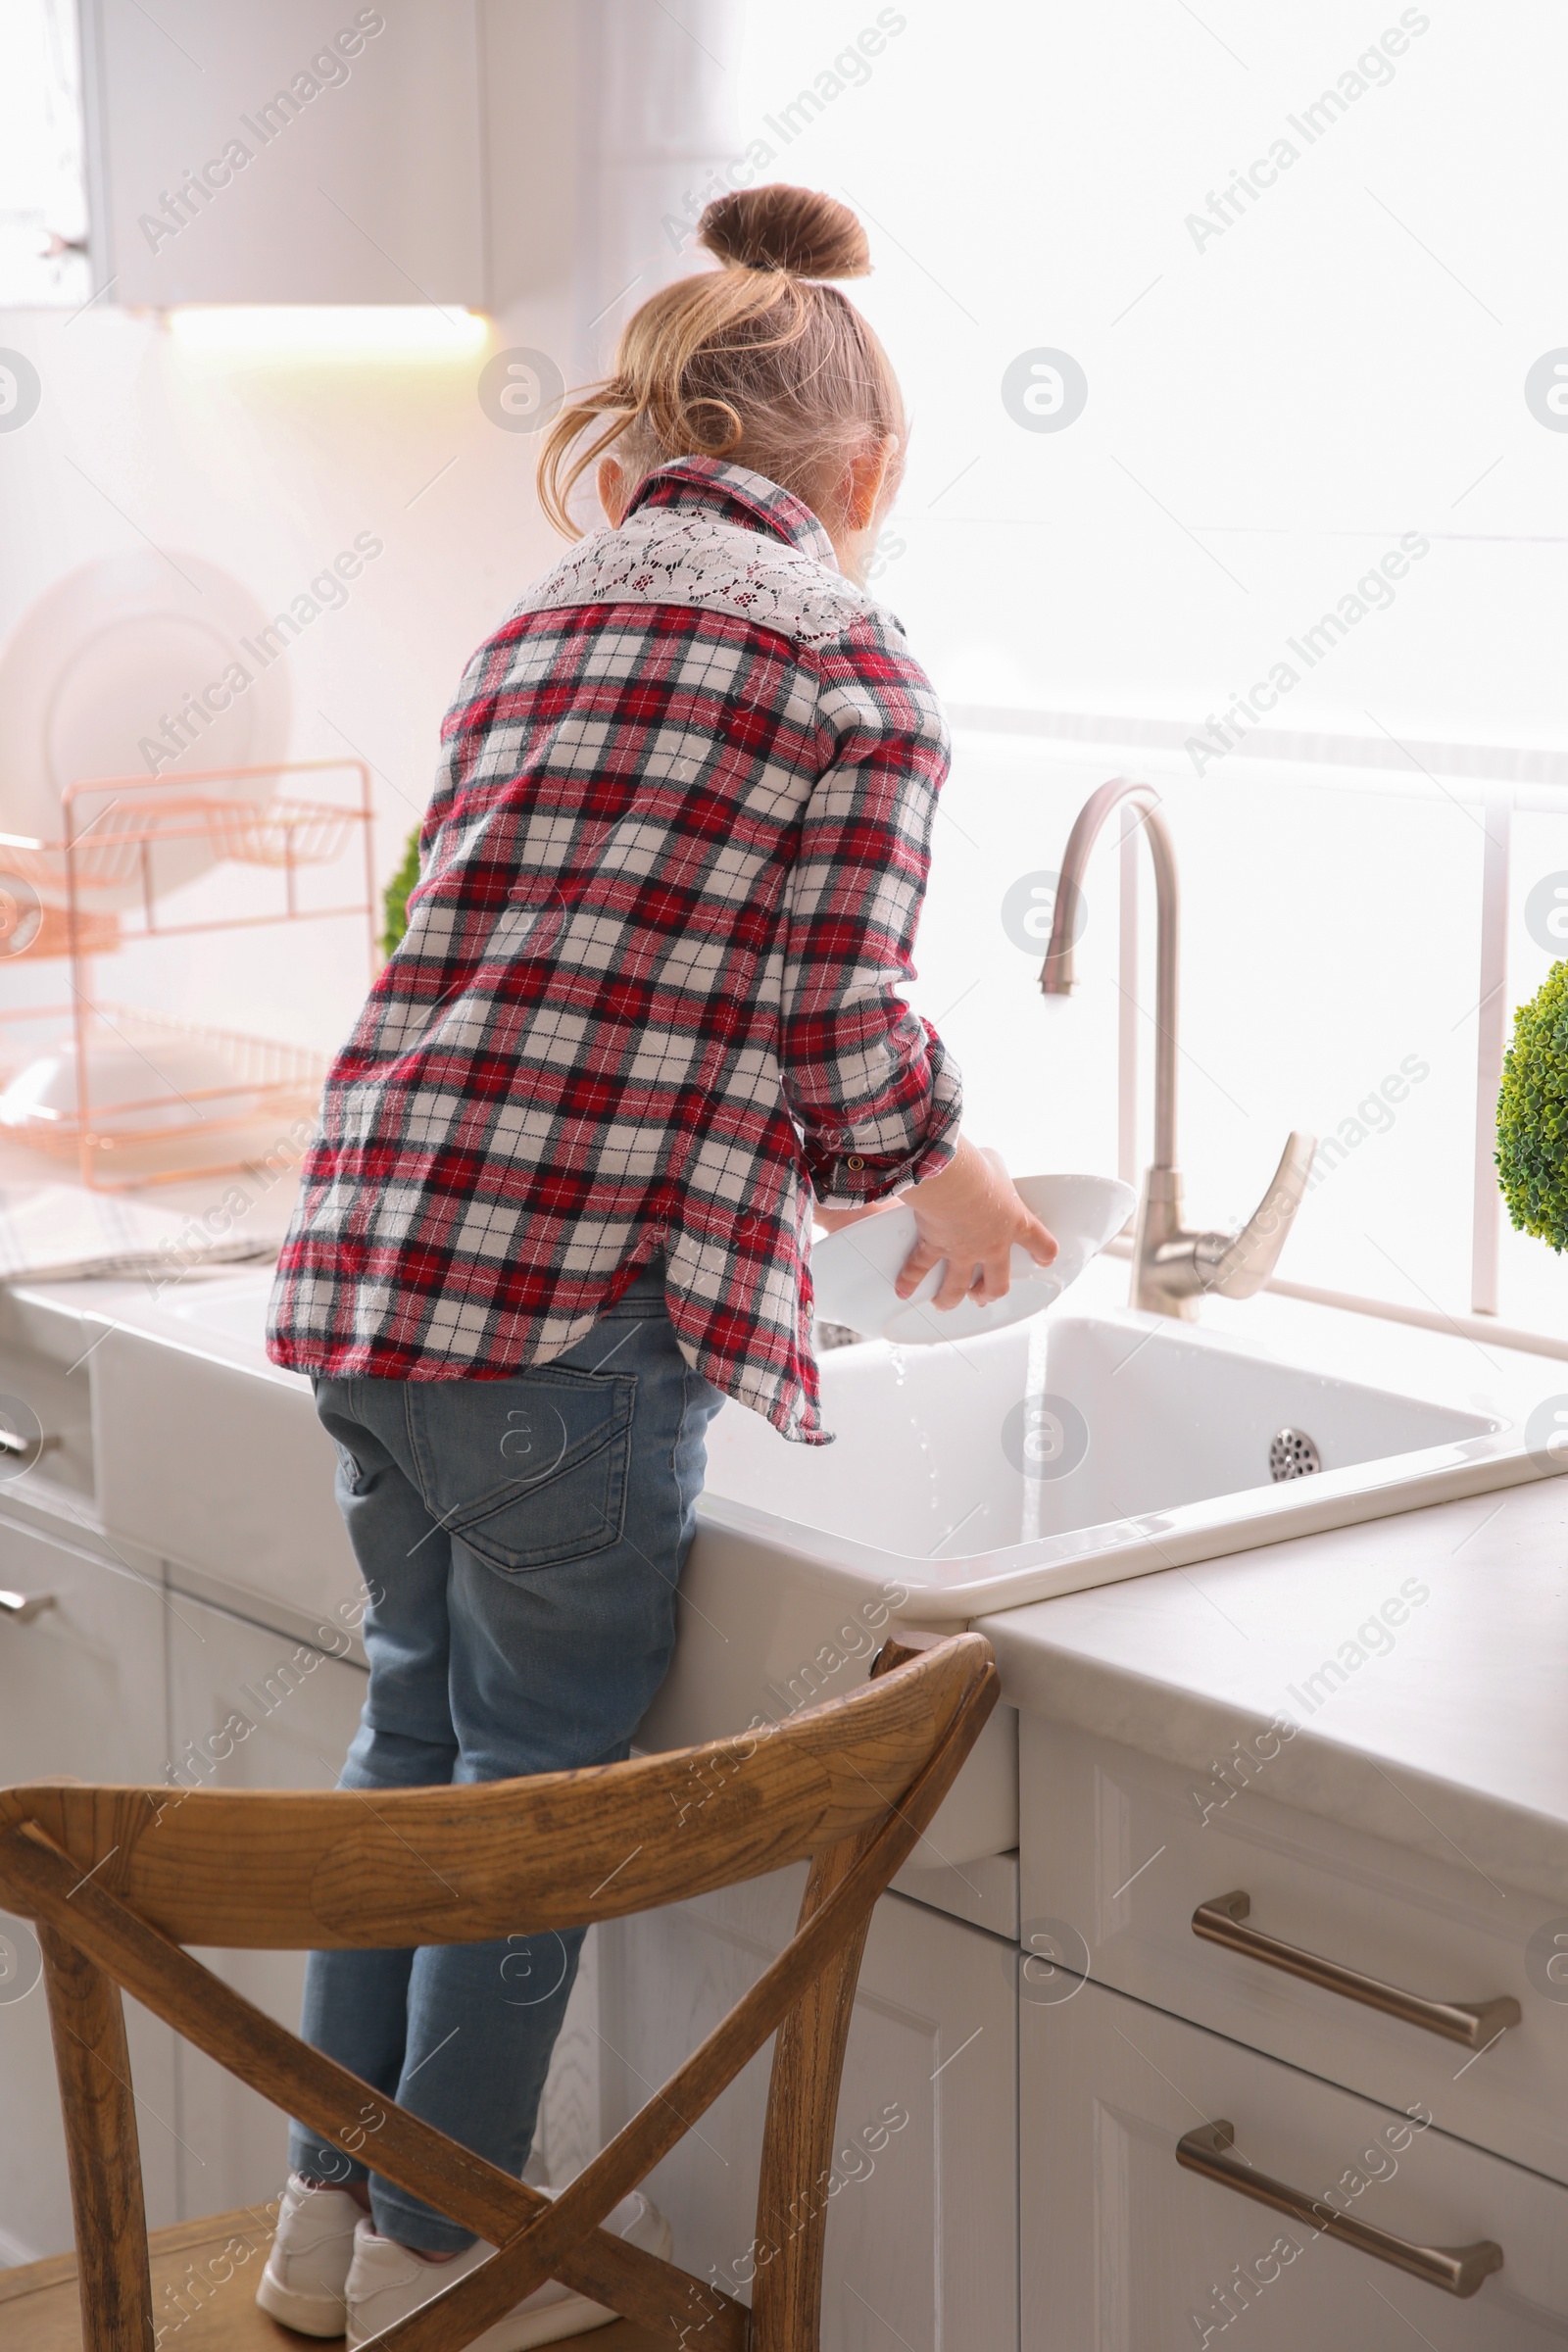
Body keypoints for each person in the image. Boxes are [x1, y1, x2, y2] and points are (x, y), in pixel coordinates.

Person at [257, 181, 1055, 2346]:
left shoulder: (539, 616)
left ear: (640, 441)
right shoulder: (849, 664)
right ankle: (444, 2253)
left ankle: (321, 2226)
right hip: (568, 1305)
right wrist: (946, 1173)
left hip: (372, 1260)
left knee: (408, 1746)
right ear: (864, 475)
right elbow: (829, 1015)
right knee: (540, 1793)